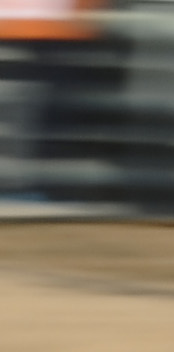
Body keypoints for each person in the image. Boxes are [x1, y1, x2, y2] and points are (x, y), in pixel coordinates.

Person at [1, 0, 100, 203]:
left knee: (35, 114)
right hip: (45, 30)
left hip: (54, 32)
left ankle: (25, 186)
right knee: (29, 113)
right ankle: (22, 186)